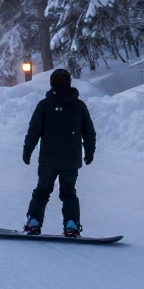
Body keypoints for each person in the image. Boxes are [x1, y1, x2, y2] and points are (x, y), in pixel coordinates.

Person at [22, 68, 95, 237]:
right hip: (71, 160)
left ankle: (33, 222)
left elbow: (34, 131)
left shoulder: (45, 105)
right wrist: (89, 151)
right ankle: (71, 225)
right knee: (68, 192)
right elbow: (89, 131)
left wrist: (27, 151)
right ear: (69, 83)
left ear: (51, 84)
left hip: (48, 158)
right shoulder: (79, 106)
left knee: (42, 191)